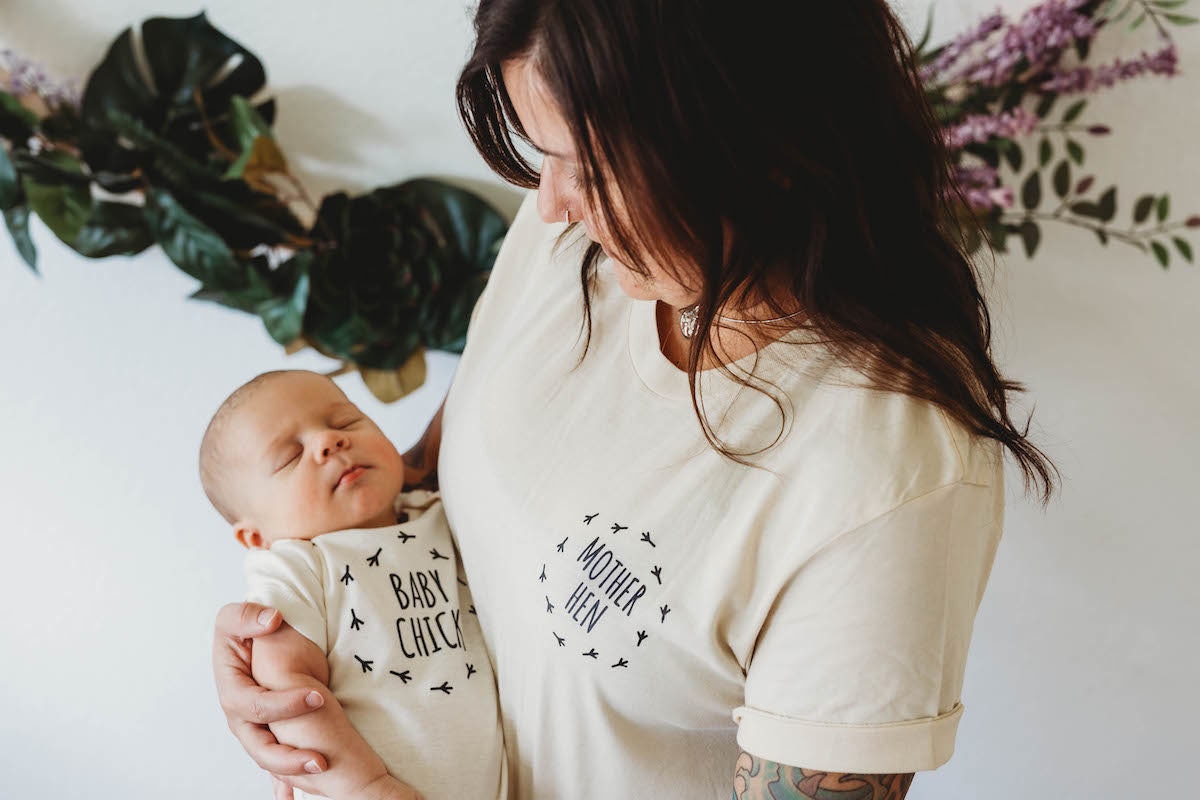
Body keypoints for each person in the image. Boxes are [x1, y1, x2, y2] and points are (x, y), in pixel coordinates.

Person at [211, 2, 1059, 798]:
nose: (548, 202)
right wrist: (278, 632)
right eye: (544, 156)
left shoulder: (887, 475)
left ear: (763, 140)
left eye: (592, 166)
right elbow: (434, 475)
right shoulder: (565, 241)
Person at [200, 370, 507, 800]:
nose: (330, 441)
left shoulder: (438, 512)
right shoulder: (297, 568)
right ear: (256, 538)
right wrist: (367, 788)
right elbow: (288, 696)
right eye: (290, 457)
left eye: (345, 422)